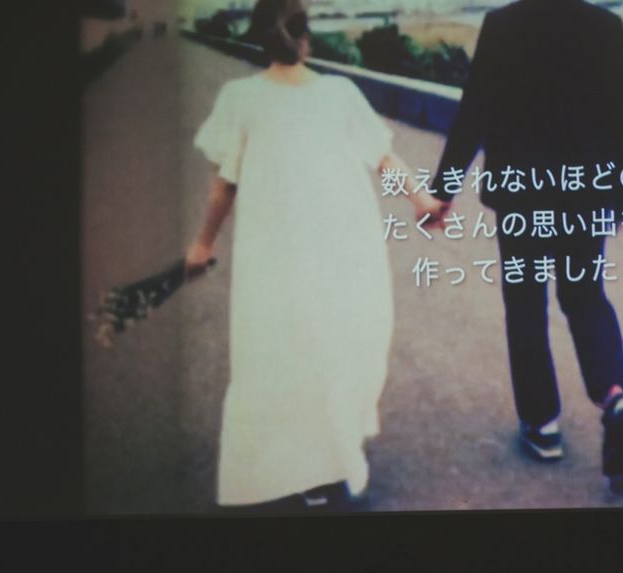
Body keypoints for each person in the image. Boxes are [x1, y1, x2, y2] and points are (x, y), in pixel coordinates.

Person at [185, 0, 443, 511]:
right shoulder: (340, 93)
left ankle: (302, 463)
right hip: (345, 247)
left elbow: (223, 188)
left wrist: (204, 243)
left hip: (275, 253)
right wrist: (421, 200)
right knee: (337, 345)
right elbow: (384, 159)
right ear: (307, 38)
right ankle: (329, 456)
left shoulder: (240, 98)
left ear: (260, 38)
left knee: (282, 351)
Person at [424, 0, 623, 493]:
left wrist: (443, 190)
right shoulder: (604, 26)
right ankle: (616, 398)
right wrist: (621, 195)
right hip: (586, 192)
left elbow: (475, 111)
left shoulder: (503, 25)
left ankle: (542, 424)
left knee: (526, 305)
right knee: (585, 297)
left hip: (521, 193)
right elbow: (622, 117)